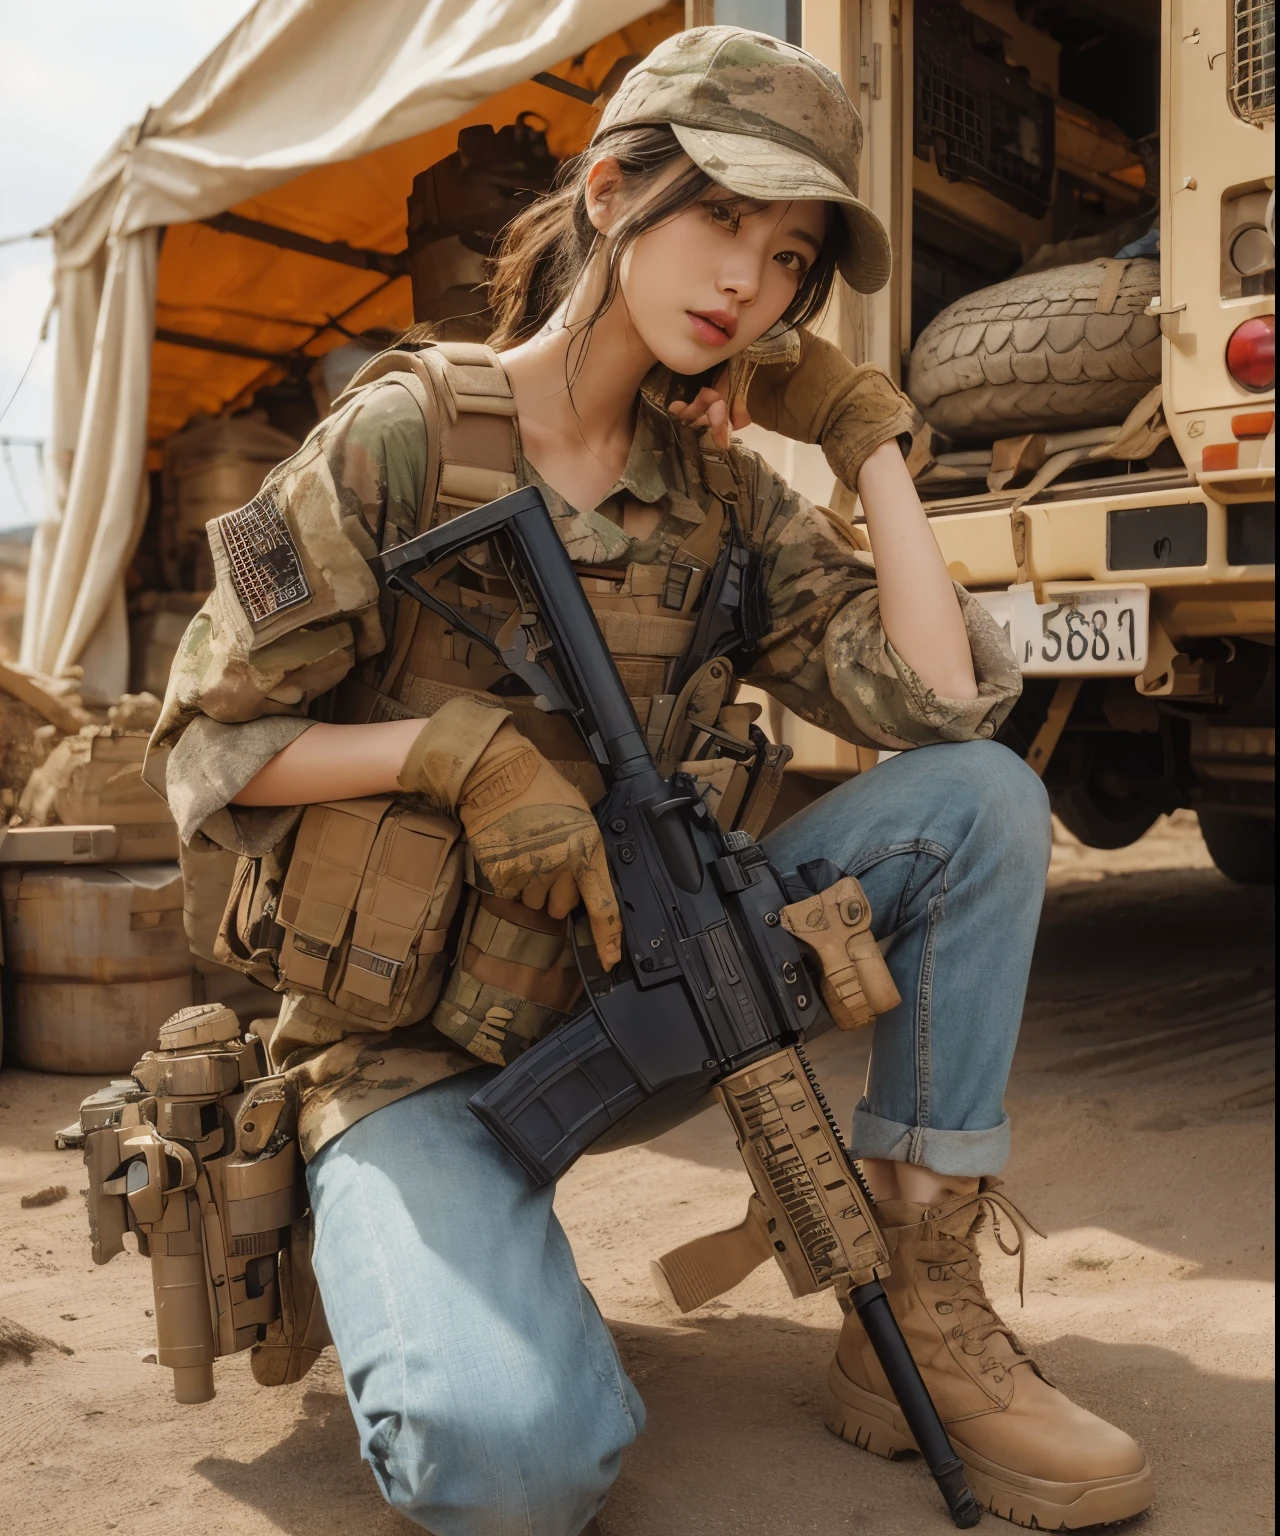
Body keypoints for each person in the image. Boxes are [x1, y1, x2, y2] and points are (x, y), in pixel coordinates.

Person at [151, 25, 1153, 1536]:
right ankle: (429, 1263)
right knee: (510, 1469)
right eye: (722, 216)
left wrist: (874, 443)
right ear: (613, 192)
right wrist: (450, 750)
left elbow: (946, 707)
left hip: (656, 995)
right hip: (414, 1060)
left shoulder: (728, 498)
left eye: (793, 254)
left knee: (982, 806)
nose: (749, 278)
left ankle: (919, 1313)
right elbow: (203, 745)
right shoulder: (406, 438)